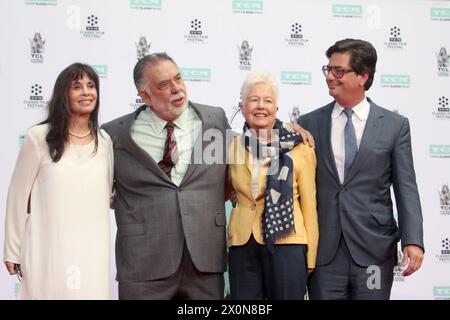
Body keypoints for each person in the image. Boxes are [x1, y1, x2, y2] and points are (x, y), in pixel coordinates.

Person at [298, 38, 424, 300]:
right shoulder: (309, 123)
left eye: (339, 71)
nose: (330, 77)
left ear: (363, 76)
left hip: (374, 252)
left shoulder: (394, 125)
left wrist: (413, 240)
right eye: (328, 70)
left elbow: (406, 187)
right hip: (324, 253)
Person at [3, 63, 114, 299]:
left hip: (92, 253)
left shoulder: (104, 141)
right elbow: (17, 195)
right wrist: (12, 250)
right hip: (49, 248)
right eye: (77, 86)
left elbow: (108, 196)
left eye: (91, 85)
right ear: (64, 95)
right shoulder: (38, 138)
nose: (86, 92)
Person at [227, 70, 319, 299]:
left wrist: (311, 255)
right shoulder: (231, 146)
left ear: (276, 108)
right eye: (254, 100)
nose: (261, 106)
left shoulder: (301, 147)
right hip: (243, 243)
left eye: (268, 101)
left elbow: (309, 205)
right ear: (242, 106)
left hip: (287, 241)